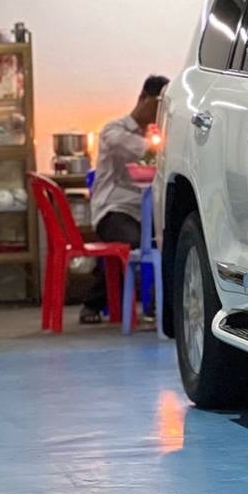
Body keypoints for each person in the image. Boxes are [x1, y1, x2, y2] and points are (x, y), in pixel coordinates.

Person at [80, 75, 168, 324]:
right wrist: (162, 145)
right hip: (113, 210)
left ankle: (160, 304)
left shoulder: (156, 135)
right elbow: (137, 148)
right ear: (143, 98)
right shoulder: (113, 129)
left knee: (170, 239)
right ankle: (95, 303)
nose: (160, 113)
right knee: (132, 244)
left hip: (145, 211)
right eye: (158, 105)